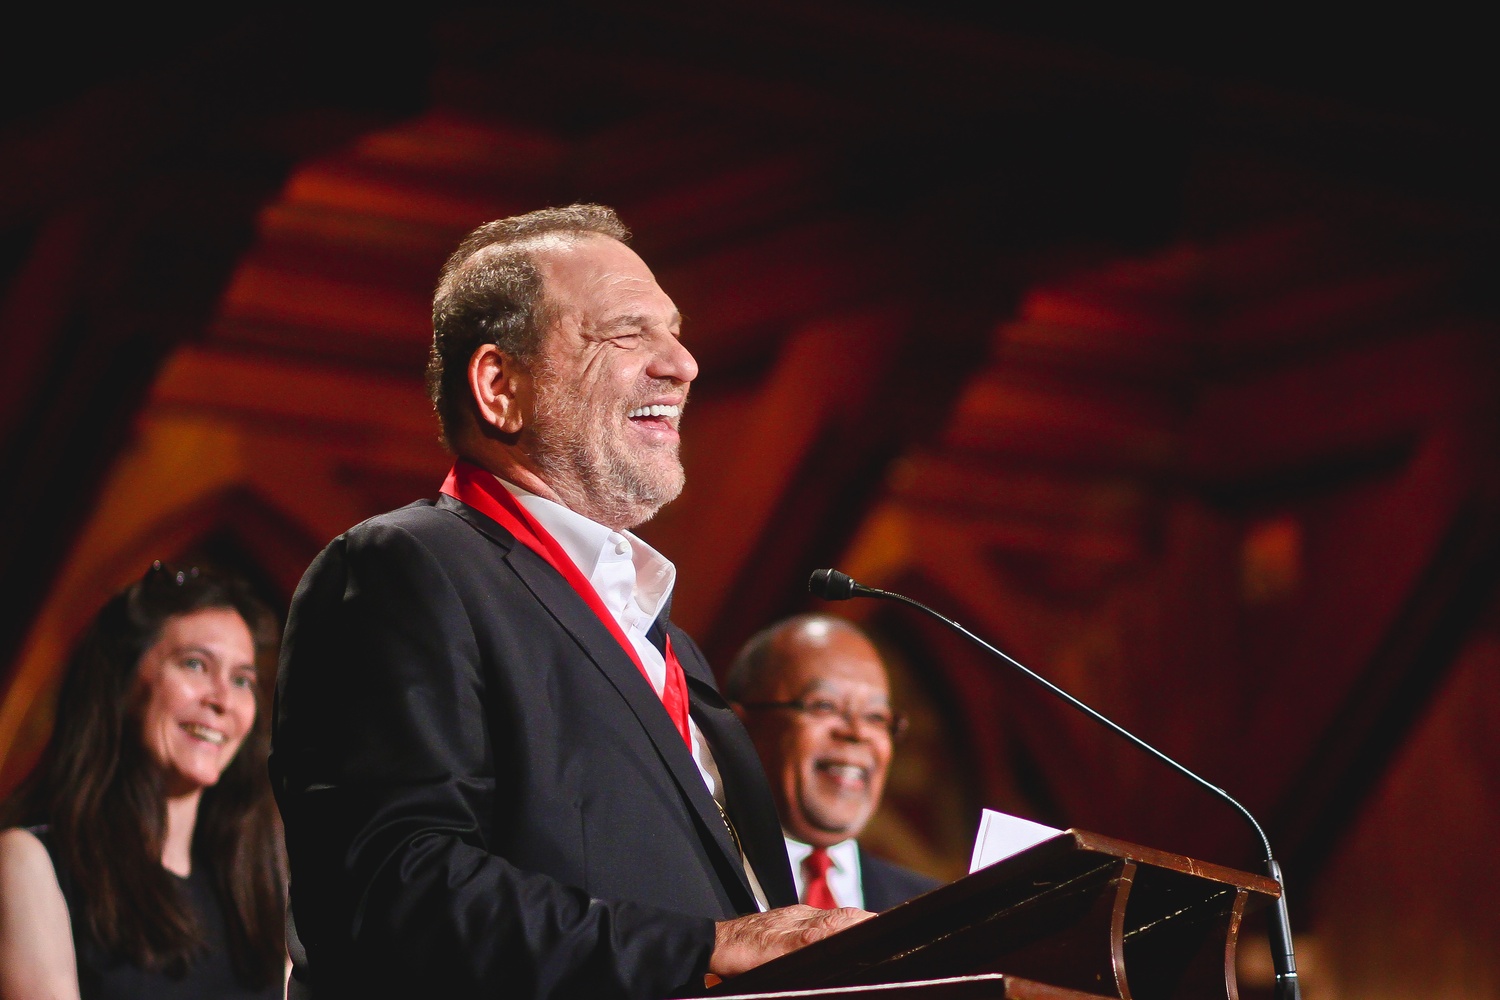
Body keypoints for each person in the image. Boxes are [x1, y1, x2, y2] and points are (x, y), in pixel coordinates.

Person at [269, 204, 867, 999]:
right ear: (499, 386)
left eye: (675, 331)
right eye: (628, 334)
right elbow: (394, 886)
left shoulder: (668, 643)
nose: (683, 364)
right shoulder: (404, 570)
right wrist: (699, 948)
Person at [0, 562, 286, 1000]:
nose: (222, 700)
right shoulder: (33, 862)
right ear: (125, 680)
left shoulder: (261, 885)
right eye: (195, 664)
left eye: (242, 679)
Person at [727, 615, 942, 911]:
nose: (856, 733)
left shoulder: (931, 911)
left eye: (876, 717)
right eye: (824, 705)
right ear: (742, 728)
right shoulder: (687, 869)